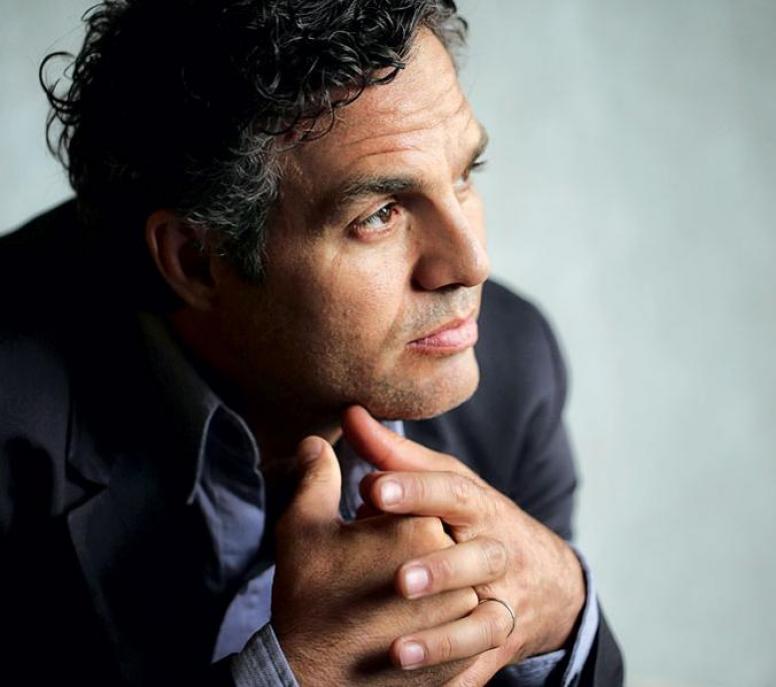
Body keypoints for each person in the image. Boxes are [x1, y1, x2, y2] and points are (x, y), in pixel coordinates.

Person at [0, 1, 624, 684]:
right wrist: (292, 676)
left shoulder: (511, 362)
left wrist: (565, 603)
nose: (471, 264)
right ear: (196, 260)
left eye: (464, 176)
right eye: (380, 214)